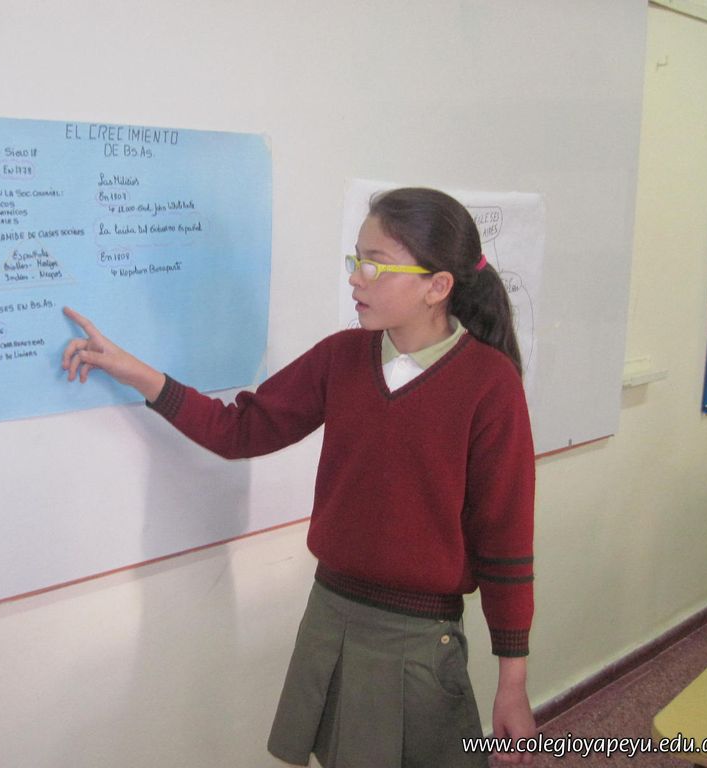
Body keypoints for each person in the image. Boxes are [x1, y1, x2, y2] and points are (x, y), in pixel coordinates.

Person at [61, 187, 536, 767]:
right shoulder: (342, 358)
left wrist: (512, 682)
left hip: (418, 637)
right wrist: (134, 372)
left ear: (437, 287)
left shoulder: (489, 385)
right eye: (356, 259)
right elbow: (240, 431)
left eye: (376, 264)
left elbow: (505, 541)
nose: (356, 278)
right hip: (330, 615)